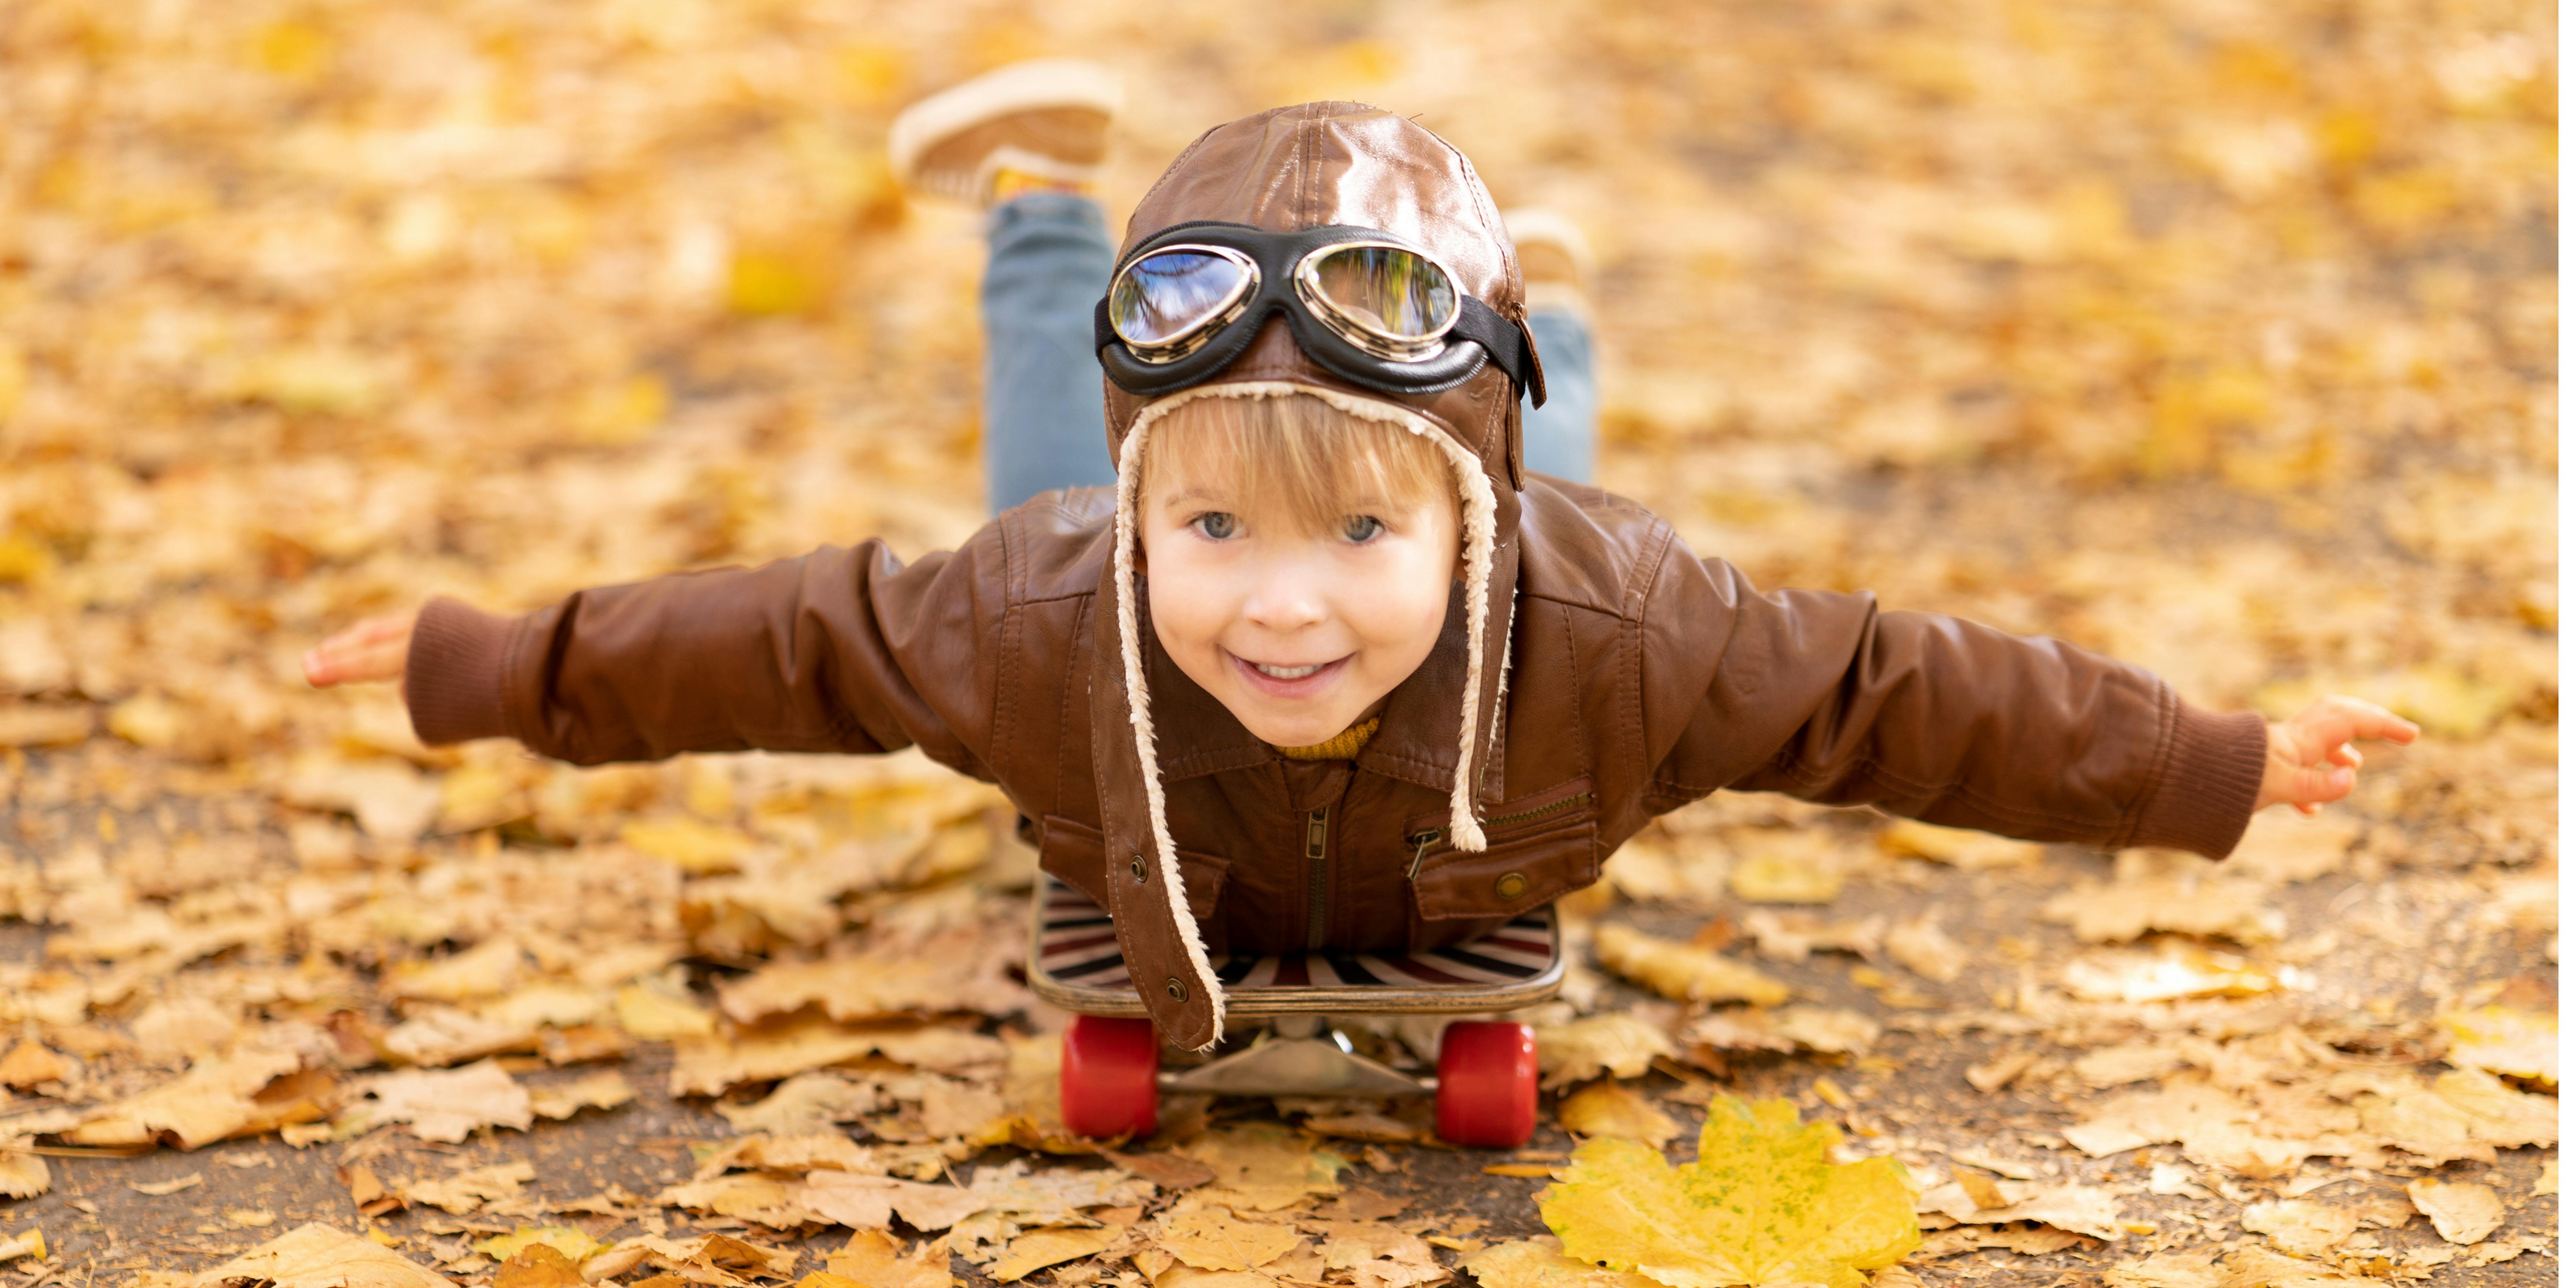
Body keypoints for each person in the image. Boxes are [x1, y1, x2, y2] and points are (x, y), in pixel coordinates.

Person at [306, 66, 2416, 1054]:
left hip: (1524, 560)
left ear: (1462, 520)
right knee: (1030, 481)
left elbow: (1894, 696)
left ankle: (1544, 325)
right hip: (1152, 617)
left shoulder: (1616, 631)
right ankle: (1042, 198)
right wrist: (498, 662)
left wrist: (2199, 763)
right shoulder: (1052, 605)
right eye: (1212, 529)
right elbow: (785, 642)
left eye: (1362, 534)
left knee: (1580, 506)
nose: (1280, 603)